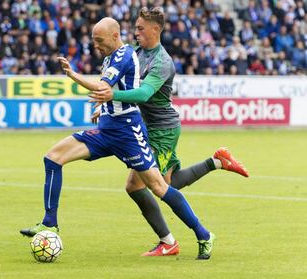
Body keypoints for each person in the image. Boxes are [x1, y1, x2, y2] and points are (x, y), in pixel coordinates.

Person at [20, 17, 214, 260]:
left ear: (114, 36)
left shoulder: (123, 55)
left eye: (99, 41)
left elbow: (104, 88)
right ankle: (49, 223)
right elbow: (109, 95)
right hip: (106, 130)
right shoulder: (111, 57)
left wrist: (72, 75)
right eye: (94, 41)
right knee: (53, 157)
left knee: (158, 186)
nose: (96, 46)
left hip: (128, 133)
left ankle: (203, 234)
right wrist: (103, 108)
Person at [89, 8, 249, 259]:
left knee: (146, 185)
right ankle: (217, 161)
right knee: (165, 184)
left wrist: (112, 96)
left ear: (156, 30)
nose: (136, 32)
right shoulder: (137, 52)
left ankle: (188, 238)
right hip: (143, 125)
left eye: (141, 28)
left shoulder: (162, 62)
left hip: (162, 130)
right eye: (136, 27)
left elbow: (143, 94)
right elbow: (121, 81)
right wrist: (105, 105)